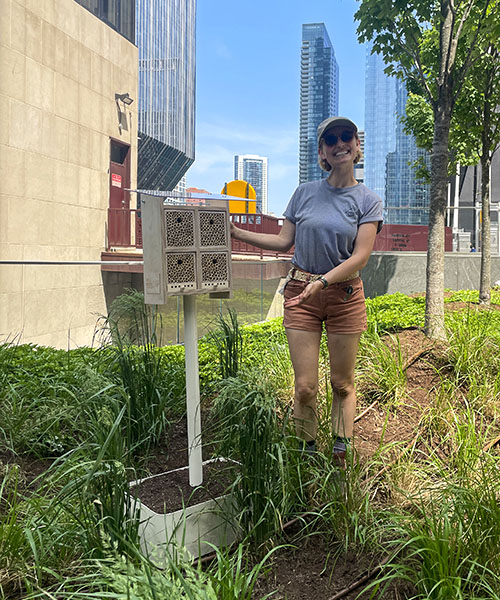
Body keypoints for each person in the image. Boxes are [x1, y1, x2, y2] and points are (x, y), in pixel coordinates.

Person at [230, 117, 383, 468]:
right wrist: (238, 233)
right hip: (301, 292)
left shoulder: (368, 200)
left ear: (357, 147)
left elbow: (360, 256)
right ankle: (306, 460)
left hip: (343, 295)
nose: (339, 143)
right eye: (331, 139)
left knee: (342, 384)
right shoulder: (304, 192)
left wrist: (324, 282)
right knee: (305, 388)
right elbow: (284, 241)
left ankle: (340, 457)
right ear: (322, 152)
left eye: (347, 137)